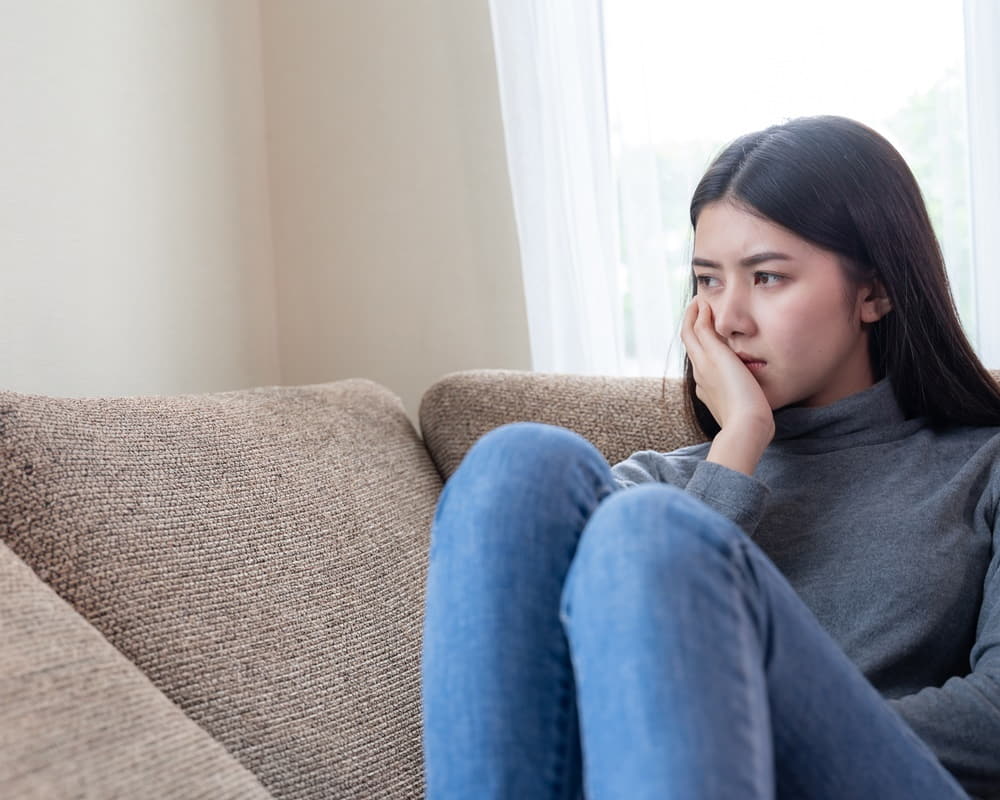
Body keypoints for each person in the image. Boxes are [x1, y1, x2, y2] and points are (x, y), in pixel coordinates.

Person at [420, 115, 1000, 799]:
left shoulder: (981, 466)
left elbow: (990, 723)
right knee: (516, 467)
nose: (726, 319)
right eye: (707, 281)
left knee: (655, 530)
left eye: (768, 277)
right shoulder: (665, 481)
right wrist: (737, 449)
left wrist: (731, 725)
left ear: (874, 290)